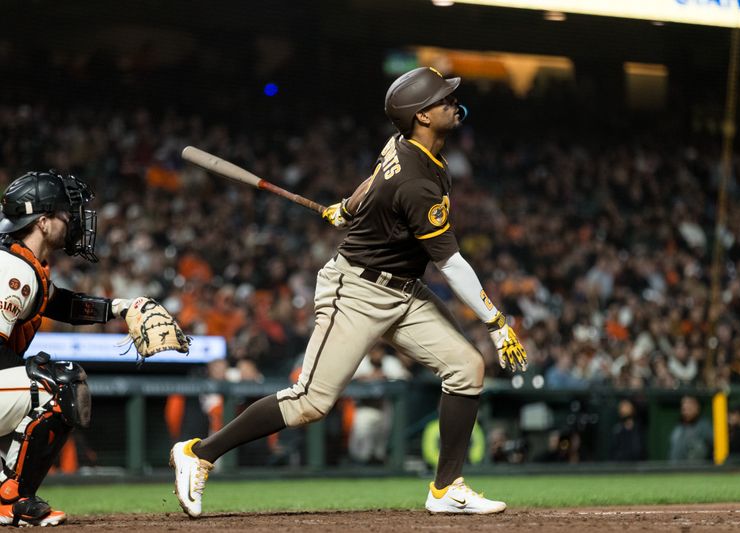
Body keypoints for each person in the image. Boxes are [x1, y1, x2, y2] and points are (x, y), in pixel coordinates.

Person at [170, 66, 528, 516]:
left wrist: (349, 205)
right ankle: (199, 453)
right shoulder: (417, 178)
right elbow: (451, 265)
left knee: (466, 368)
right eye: (443, 100)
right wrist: (495, 322)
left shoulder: (405, 145)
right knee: (311, 403)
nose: (453, 103)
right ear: (421, 116)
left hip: (404, 291)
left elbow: (378, 178)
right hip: (356, 289)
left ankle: (446, 488)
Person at [0, 171, 157, 526]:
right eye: (65, 213)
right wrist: (25, 374)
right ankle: (8, 499)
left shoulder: (21, 261)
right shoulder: (9, 267)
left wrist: (122, 307)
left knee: (46, 381)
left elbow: (61, 305)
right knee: (59, 386)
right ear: (42, 222)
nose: (73, 220)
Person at [668, 395, 713, 462]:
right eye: (684, 407)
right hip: (675, 469)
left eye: (689, 406)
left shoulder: (704, 427)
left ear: (697, 407)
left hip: (697, 470)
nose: (685, 409)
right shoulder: (678, 427)